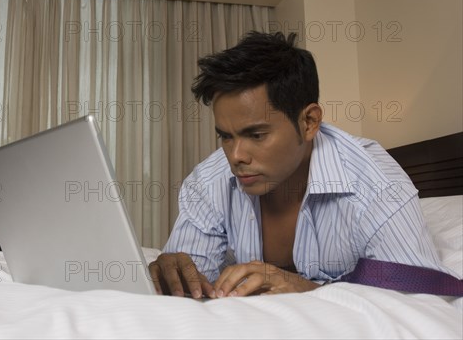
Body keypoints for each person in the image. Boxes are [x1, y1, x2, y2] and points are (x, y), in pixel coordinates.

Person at [148, 31, 445, 299]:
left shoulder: (377, 183)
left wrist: (310, 292)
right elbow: (191, 285)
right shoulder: (208, 181)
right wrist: (177, 276)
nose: (235, 155)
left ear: (309, 122)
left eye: (256, 134)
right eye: (226, 136)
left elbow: (422, 301)